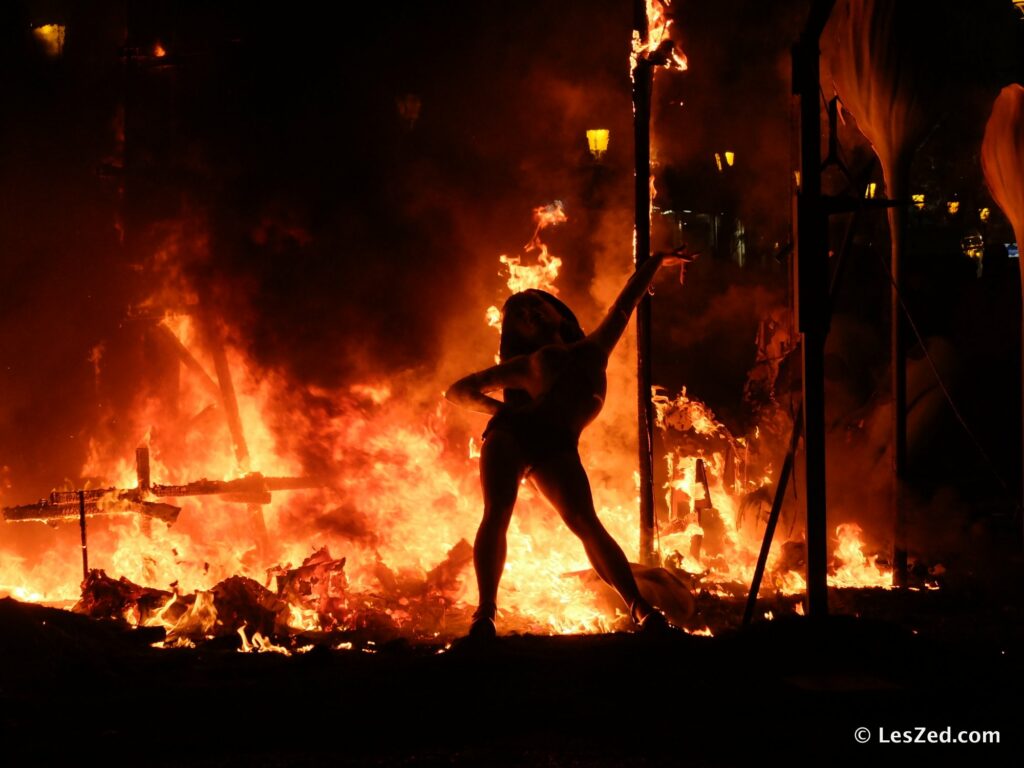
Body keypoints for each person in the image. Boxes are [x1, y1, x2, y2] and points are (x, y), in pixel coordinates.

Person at [445, 248, 688, 639]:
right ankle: (485, 615)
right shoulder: (533, 362)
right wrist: (500, 413)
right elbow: (457, 391)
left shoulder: (594, 349)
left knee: (586, 523)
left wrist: (657, 261)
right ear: (516, 334)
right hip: (511, 438)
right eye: (520, 315)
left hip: (557, 446)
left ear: (561, 313)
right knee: (498, 512)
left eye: (535, 303)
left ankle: (642, 611)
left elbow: (627, 301)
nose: (529, 312)